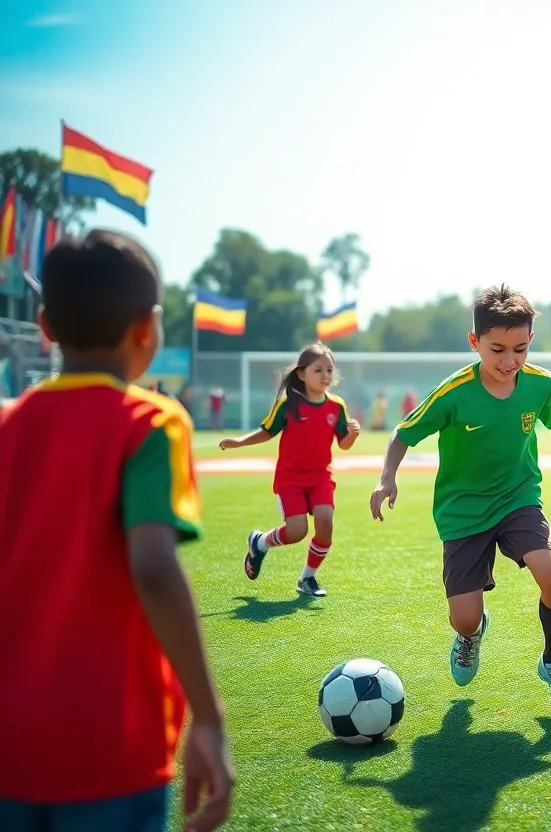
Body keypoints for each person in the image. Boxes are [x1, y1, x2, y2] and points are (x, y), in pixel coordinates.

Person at [0, 231, 233, 832]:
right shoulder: (150, 422)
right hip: (110, 739)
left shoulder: (6, 427)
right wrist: (206, 715)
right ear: (148, 327)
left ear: (46, 326)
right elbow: (153, 567)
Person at [368, 285, 551, 715]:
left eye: (520, 349)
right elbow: (403, 433)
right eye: (498, 349)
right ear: (475, 343)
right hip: (463, 512)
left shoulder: (540, 385)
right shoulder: (454, 393)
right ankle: (471, 633)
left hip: (518, 498)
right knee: (464, 617)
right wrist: (386, 478)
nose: (510, 361)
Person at [220, 344, 361, 598]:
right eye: (318, 369)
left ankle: (307, 578)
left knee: (325, 522)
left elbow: (344, 444)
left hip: (321, 478)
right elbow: (267, 431)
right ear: (301, 374)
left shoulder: (337, 406)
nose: (325, 375)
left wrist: (352, 434)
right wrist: (239, 442)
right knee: (297, 531)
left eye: (329, 369)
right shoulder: (289, 404)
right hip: (290, 479)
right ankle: (260, 542)